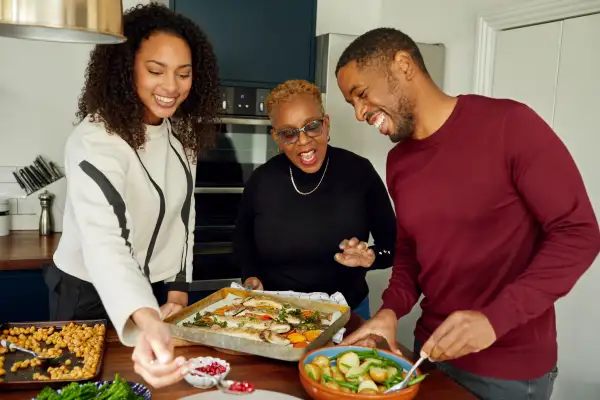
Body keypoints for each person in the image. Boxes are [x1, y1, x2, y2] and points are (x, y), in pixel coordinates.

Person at [335, 28, 600, 400]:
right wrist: (390, 311)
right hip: (427, 354)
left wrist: (495, 320)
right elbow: (412, 250)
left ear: (403, 65)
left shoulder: (511, 124)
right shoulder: (399, 162)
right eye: (352, 104)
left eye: (361, 95)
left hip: (507, 370)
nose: (360, 113)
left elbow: (578, 233)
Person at [44, 3, 220, 388]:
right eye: (156, 70)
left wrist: (178, 287)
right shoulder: (95, 140)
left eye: (183, 73)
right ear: (126, 69)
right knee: (79, 389)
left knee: (144, 388)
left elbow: (183, 216)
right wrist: (148, 317)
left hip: (150, 289)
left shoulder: (180, 138)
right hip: (85, 291)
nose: (171, 87)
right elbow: (105, 244)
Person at [233, 79, 397, 319]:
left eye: (311, 126)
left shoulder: (359, 172)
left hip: (347, 314)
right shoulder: (262, 180)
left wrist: (370, 257)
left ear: (326, 124)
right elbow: (243, 242)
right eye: (288, 133)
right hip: (275, 315)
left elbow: (393, 247)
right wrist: (251, 277)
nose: (303, 141)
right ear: (277, 138)